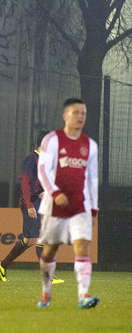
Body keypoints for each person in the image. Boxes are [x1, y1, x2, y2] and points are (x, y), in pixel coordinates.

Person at [36, 98, 99, 309]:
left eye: (83, 113)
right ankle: (46, 293)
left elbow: (92, 179)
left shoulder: (90, 145)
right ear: (65, 115)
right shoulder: (52, 140)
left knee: (82, 247)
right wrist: (54, 193)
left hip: (80, 204)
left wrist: (93, 209)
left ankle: (84, 296)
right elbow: (43, 169)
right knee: (50, 250)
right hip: (55, 205)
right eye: (76, 112)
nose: (80, 117)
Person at [0, 130, 64, 284]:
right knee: (35, 239)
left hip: (40, 203)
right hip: (30, 203)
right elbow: (25, 184)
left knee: (31, 239)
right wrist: (29, 205)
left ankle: (2, 265)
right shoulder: (31, 160)